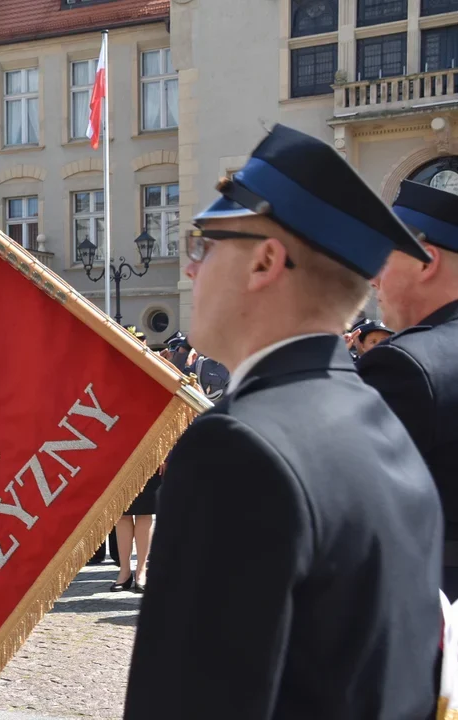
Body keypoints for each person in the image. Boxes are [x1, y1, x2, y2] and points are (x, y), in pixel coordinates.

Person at [124, 124, 443, 720]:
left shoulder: (238, 447)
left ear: (266, 260)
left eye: (204, 245)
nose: (191, 271)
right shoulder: (379, 422)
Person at [360, 179, 458, 600]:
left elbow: (355, 518)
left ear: (426, 261)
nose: (372, 279)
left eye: (382, 259)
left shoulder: (407, 367)